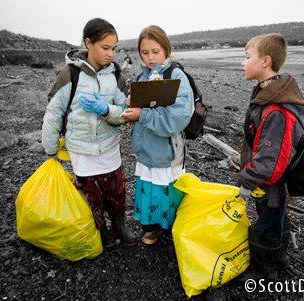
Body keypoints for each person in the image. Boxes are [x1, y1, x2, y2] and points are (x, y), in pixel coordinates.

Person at [42, 18, 137, 248]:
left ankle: (119, 225)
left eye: (114, 49)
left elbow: (124, 112)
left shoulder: (115, 75)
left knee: (116, 191)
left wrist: (105, 109)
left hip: (108, 146)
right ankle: (100, 230)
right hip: (80, 149)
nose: (111, 54)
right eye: (105, 48)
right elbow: (53, 112)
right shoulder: (69, 75)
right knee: (91, 196)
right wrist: (50, 147)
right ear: (88, 43)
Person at [238, 33, 304, 281]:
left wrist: (247, 179)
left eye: (247, 57)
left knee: (267, 226)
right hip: (267, 183)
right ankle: (280, 259)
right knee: (275, 218)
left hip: (270, 184)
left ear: (265, 61)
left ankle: (264, 271)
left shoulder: (276, 107)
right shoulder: (267, 93)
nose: (242, 63)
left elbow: (271, 160)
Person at [121, 25, 194, 245]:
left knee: (166, 190)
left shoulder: (177, 76)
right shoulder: (141, 76)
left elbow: (178, 118)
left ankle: (170, 229)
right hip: (145, 149)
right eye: (144, 52)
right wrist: (130, 102)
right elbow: (141, 106)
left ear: (166, 49)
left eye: (155, 51)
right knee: (147, 186)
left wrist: (142, 115)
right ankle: (151, 228)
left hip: (167, 151)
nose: (150, 57)